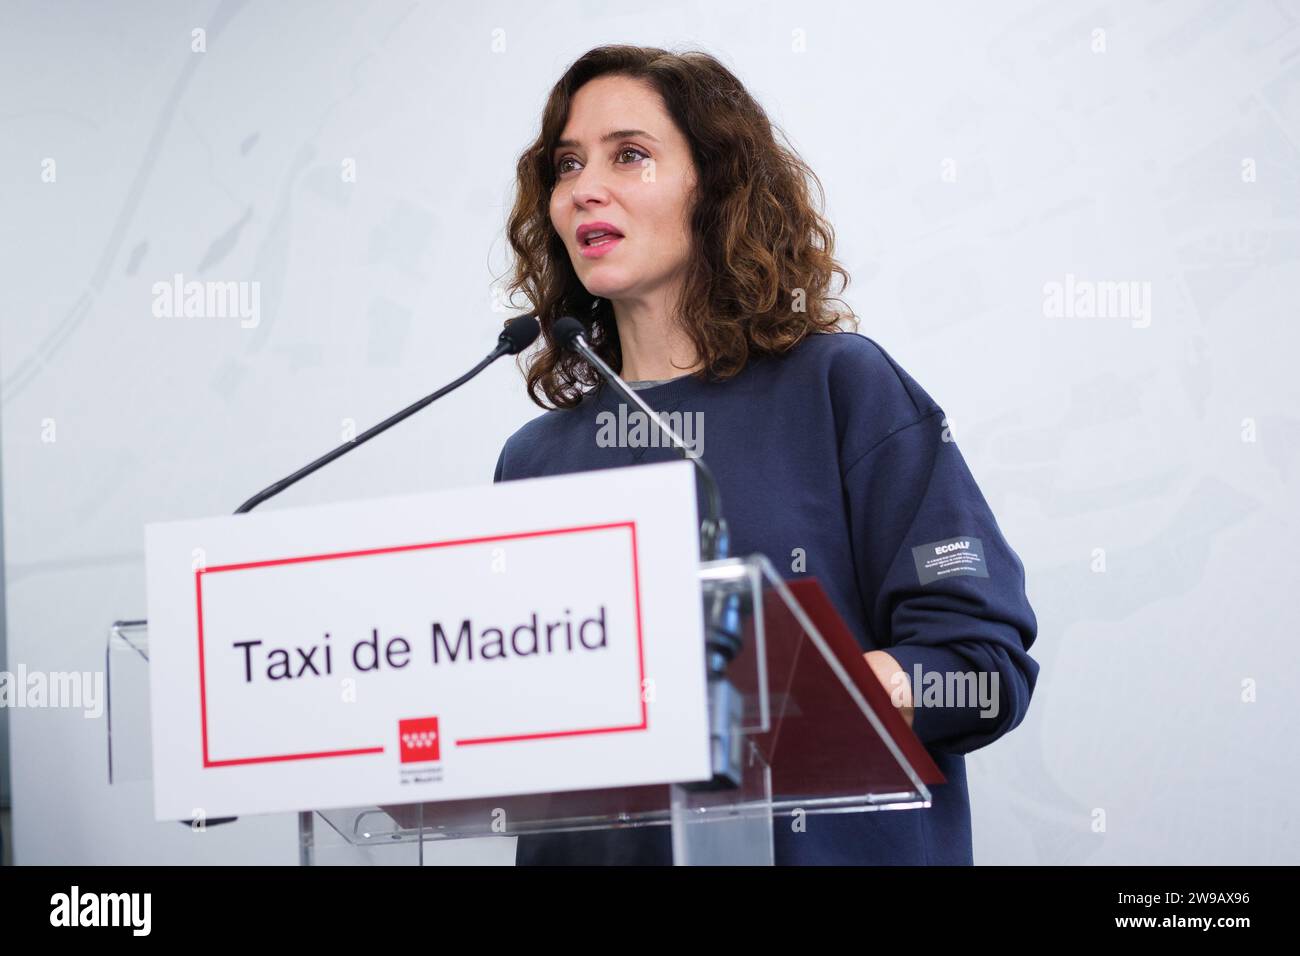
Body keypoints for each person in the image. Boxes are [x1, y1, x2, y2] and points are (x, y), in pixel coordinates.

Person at [492, 44, 1039, 865]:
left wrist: (816, 700)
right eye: (566, 165)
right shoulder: (534, 460)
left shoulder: (840, 388)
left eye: (629, 155)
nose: (582, 189)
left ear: (716, 186)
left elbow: (980, 663)